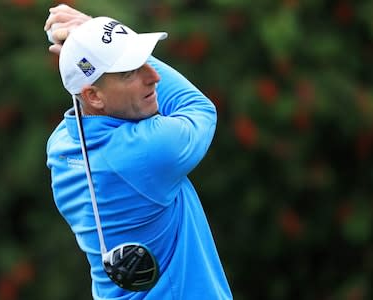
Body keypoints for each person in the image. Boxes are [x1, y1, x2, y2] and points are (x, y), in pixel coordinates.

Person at [44, 4, 233, 299]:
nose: (153, 76)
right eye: (131, 70)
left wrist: (84, 51)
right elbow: (198, 108)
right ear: (93, 96)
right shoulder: (148, 150)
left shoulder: (60, 149)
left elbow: (83, 90)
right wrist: (88, 28)